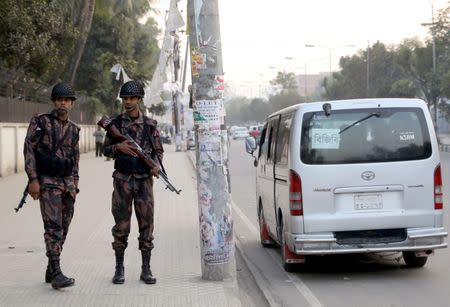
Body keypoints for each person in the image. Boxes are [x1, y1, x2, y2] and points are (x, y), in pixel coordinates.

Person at [103, 80, 164, 285]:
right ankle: (119, 268)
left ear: (139, 100)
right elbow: (106, 150)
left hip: (144, 182)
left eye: (132, 98)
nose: (128, 102)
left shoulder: (150, 125)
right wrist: (118, 148)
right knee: (121, 226)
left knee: (146, 225)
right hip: (122, 181)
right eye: (125, 98)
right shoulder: (115, 124)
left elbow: (158, 151)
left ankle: (146, 269)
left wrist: (156, 165)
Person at [23, 82, 80, 289]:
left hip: (67, 184)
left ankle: (50, 268)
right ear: (54, 102)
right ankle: (56, 272)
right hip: (47, 182)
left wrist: (75, 182)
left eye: (66, 100)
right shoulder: (41, 122)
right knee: (53, 227)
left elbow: (75, 156)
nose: (62, 103)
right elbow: (29, 150)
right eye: (58, 99)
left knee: (64, 227)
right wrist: (33, 180)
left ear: (72, 103)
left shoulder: (74, 129)